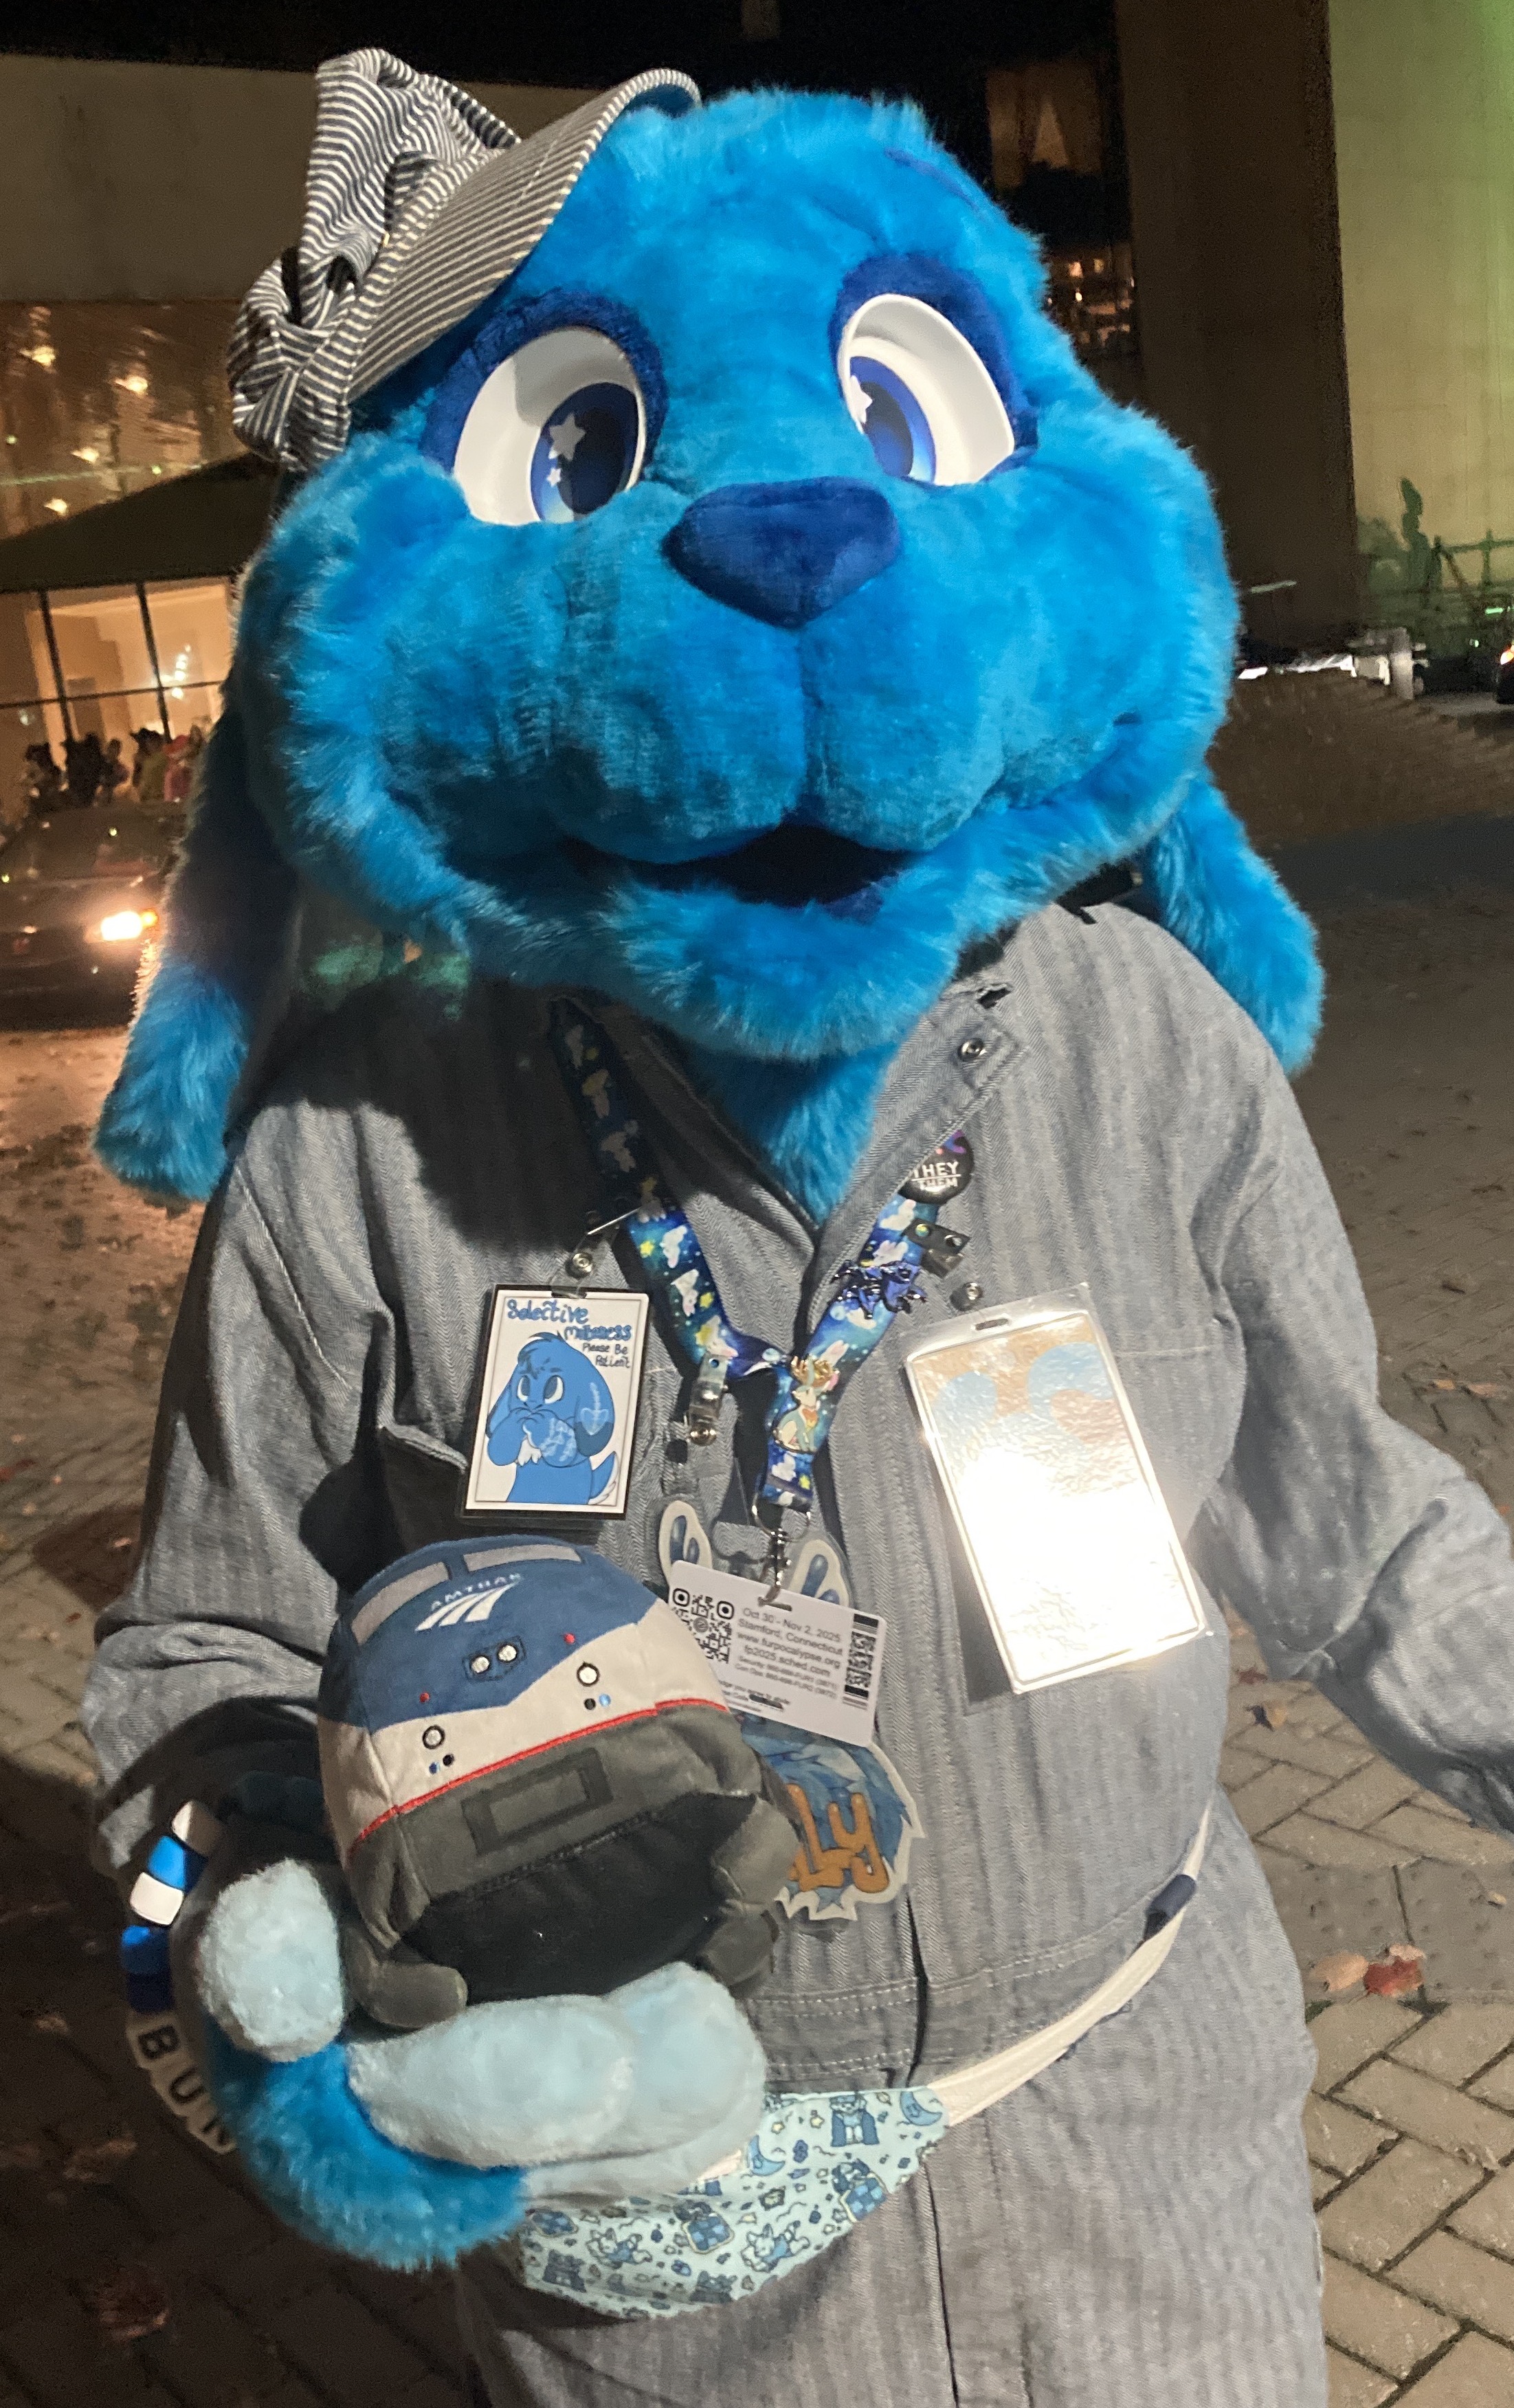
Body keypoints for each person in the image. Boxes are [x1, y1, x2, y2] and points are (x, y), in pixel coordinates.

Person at [82, 54, 1514, 2408]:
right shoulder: (362, 1137)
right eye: (593, 455)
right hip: (656, 2268)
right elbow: (198, 1658)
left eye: (893, 412)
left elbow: (1345, 1520)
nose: (791, 533)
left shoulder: (1141, 1048)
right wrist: (231, 1952)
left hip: (1140, 2187)